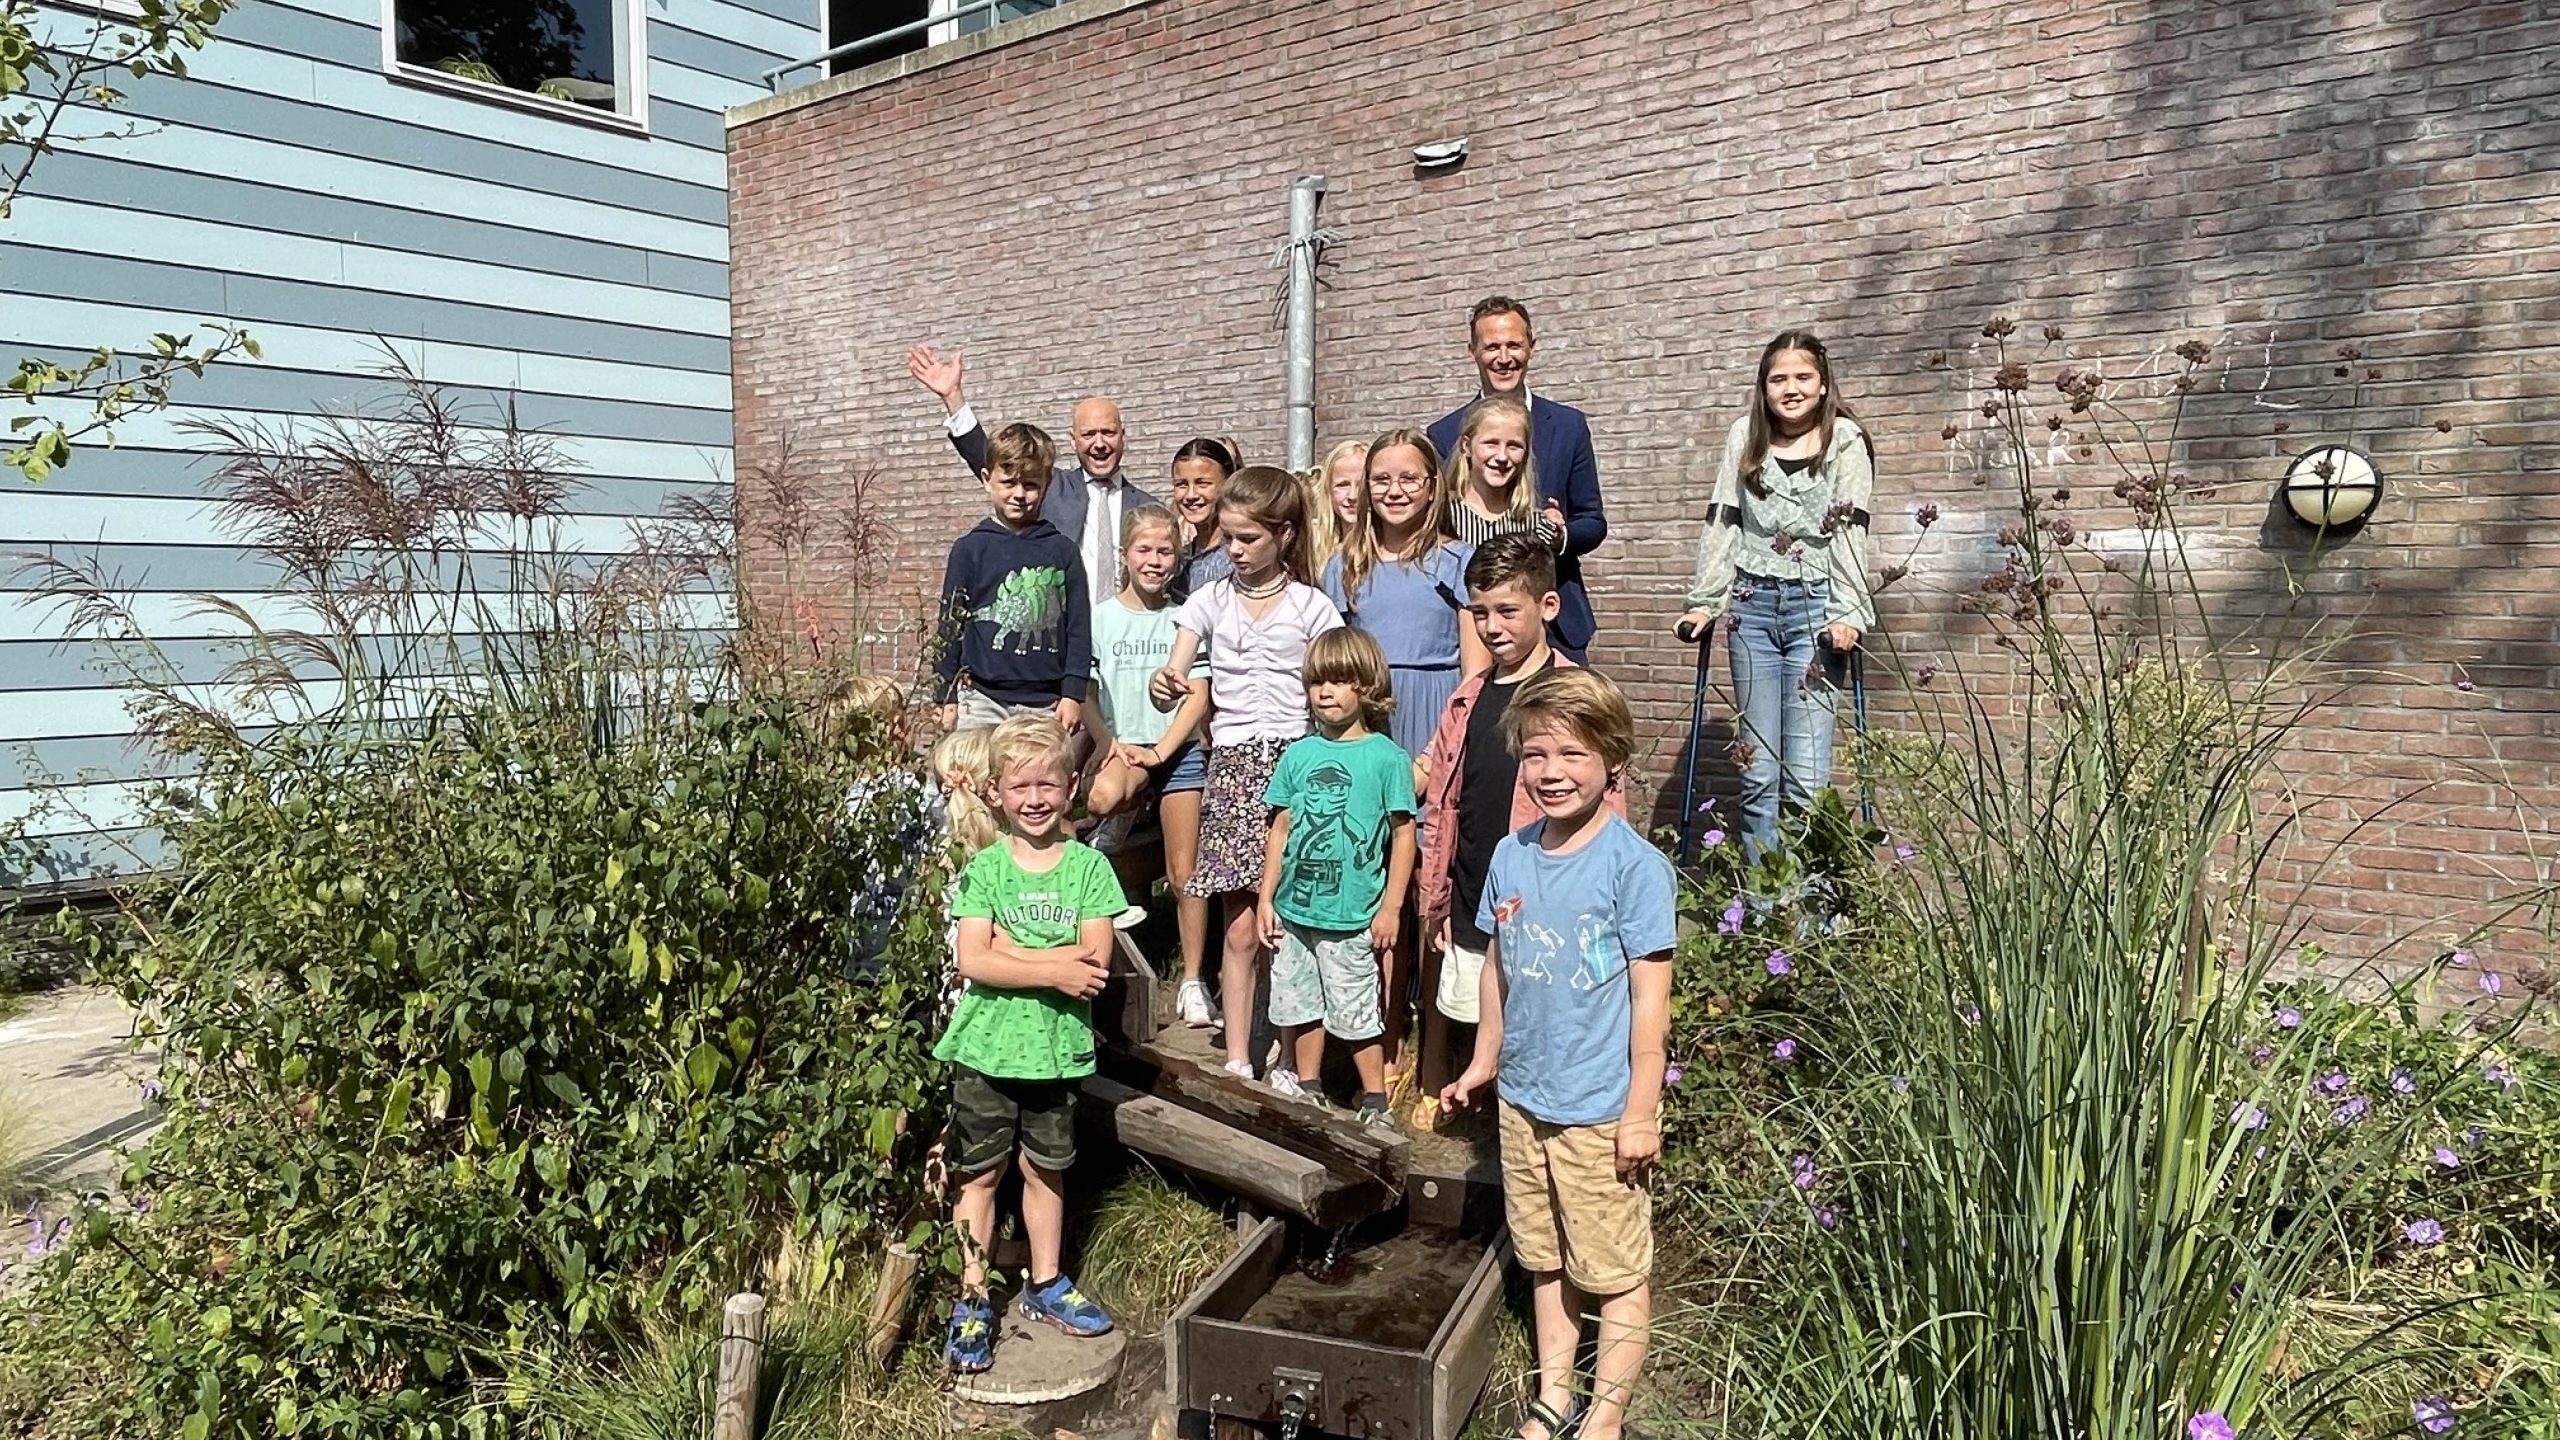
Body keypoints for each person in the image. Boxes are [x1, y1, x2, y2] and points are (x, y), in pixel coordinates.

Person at [1440, 667, 1675, 1440]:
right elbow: (1500, 971)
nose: (1551, 773)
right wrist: (1483, 1062)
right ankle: (1555, 1396)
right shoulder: (1511, 855)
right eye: (1536, 756)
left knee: (1613, 1270)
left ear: (1613, 760)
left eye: (1572, 755)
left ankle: (1605, 1416)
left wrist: (1640, 1111)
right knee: (1544, 1260)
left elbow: (1650, 1002)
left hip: (1599, 1109)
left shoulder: (1633, 868)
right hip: (1524, 1101)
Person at [936, 714, 1127, 1373]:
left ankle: (1046, 1282)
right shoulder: (986, 870)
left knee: (1046, 1167)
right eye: (1021, 787)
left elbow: (1096, 960)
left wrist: (1012, 951)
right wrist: (1051, 966)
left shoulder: (1088, 870)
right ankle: (972, 1294)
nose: (1036, 799)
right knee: (980, 1172)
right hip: (987, 1048)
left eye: (1049, 784)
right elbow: (972, 961)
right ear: (996, 793)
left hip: (1055, 1051)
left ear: (1071, 787)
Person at [1410, 534, 1620, 1122]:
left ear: (1548, 607)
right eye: (1480, 612)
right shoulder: (1467, 698)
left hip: (1547, 904)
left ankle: (1525, 1137)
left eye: (1507, 610)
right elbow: (1441, 798)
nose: (1492, 626)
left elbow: (1610, 807)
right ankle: (1481, 1128)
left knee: (1536, 1024)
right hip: (1477, 891)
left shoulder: (1575, 697)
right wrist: (1438, 897)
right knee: (1476, 1013)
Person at [1149, 466, 1343, 1080]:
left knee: (1286, 923)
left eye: (1247, 538)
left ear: (1284, 535)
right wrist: (1164, 686)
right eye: (1228, 537)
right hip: (1233, 766)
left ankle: (1289, 1056)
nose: (1233, 549)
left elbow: (1334, 684)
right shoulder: (1208, 600)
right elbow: (1175, 679)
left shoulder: (1314, 606)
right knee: (1239, 926)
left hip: (1296, 763)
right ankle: (1238, 1055)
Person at [1674, 330, 1875, 862]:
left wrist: (1849, 611)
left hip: (1817, 610)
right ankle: (1764, 915)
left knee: (1806, 781)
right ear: (1763, 388)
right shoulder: (1745, 436)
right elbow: (1725, 519)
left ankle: (1812, 921)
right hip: (1752, 611)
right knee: (1759, 772)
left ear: (1823, 382)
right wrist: (1705, 600)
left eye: (1802, 377)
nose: (1790, 389)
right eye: (1778, 379)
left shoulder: (1846, 440)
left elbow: (1852, 529)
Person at [1253, 628, 1415, 1126]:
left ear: (1365, 686)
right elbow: (1279, 829)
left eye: (1339, 681)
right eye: (1316, 682)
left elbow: (1403, 837)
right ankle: (1308, 1086)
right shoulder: (1297, 755)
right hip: (1294, 911)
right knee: (1299, 1003)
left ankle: (1375, 1099)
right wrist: (1265, 898)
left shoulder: (1387, 758)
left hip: (1352, 915)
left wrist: (1390, 907)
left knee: (1357, 1009)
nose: (1325, 693)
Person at [1083, 505, 1217, 1026]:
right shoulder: (1101, 617)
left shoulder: (1185, 616)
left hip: (1174, 751)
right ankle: (1101, 857)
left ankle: (1191, 980)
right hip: (1123, 745)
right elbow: (1086, 688)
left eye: (1165, 551)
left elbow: (1198, 693)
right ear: (1125, 556)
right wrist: (1108, 741)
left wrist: (1164, 748)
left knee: (1186, 873)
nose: (1155, 561)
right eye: (1144, 550)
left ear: (1177, 556)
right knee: (1101, 798)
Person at [1425, 297, 1607, 662]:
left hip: (1554, 625)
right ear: (1473, 351)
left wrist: (1560, 535)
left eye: (1514, 345)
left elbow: (1593, 519)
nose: (1504, 357)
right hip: (1470, 623)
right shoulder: (1443, 434)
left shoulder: (1568, 426)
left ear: (1531, 349)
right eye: (1492, 346)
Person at [907, 345, 1160, 604]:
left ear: (1123, 436)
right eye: (1088, 435)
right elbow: (999, 464)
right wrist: (953, 398)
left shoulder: (1148, 506)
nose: (1099, 444)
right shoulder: (1051, 487)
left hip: (1124, 635)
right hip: (1063, 628)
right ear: (1073, 441)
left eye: (1108, 433)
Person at [933, 423, 1091, 734]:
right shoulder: (969, 549)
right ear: (986, 479)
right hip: (980, 699)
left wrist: (1074, 693)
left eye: (1031, 484)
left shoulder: (1063, 551)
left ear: (1046, 486)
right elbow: (950, 626)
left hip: (1046, 703)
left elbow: (1078, 628)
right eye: (1009, 483)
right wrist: (944, 694)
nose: (1019, 494)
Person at [1166, 437, 1237, 602]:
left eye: (1203, 484)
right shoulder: (1178, 558)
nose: (1191, 495)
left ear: (1227, 484)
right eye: (1182, 484)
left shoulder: (1239, 557)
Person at [1305, 438, 1368, 576]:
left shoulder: (1388, 550)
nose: (1353, 496)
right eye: (1343, 485)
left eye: (1362, 485)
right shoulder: (1311, 544)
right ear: (1328, 490)